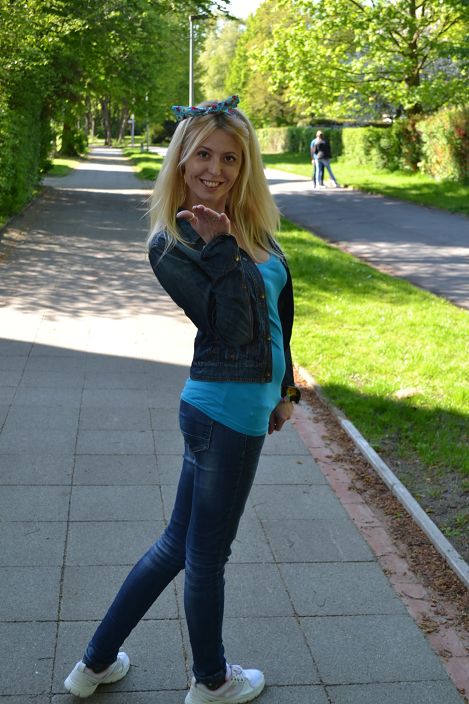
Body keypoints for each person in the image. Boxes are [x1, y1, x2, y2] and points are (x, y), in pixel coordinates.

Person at [63, 95, 301, 704]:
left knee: (177, 545)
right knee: (206, 555)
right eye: (203, 155)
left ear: (245, 165)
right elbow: (234, 329)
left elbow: (278, 316)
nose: (215, 169)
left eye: (230, 157)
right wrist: (219, 247)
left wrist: (286, 390)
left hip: (241, 406)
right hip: (223, 411)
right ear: (181, 160)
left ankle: (93, 665)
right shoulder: (173, 243)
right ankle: (212, 680)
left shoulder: (252, 227)